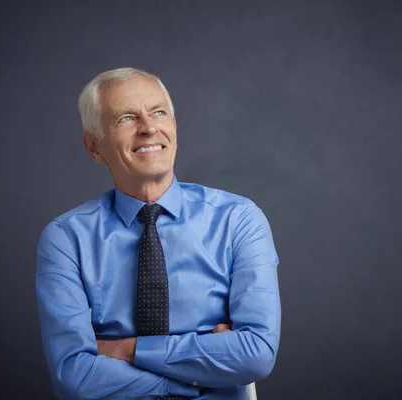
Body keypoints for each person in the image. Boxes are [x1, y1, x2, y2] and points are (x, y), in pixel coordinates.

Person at [35, 67, 281, 399]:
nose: (149, 128)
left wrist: (127, 349)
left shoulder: (238, 220)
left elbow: (256, 353)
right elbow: (75, 377)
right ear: (94, 146)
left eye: (159, 112)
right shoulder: (65, 239)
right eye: (126, 118)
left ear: (174, 127)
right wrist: (198, 377)